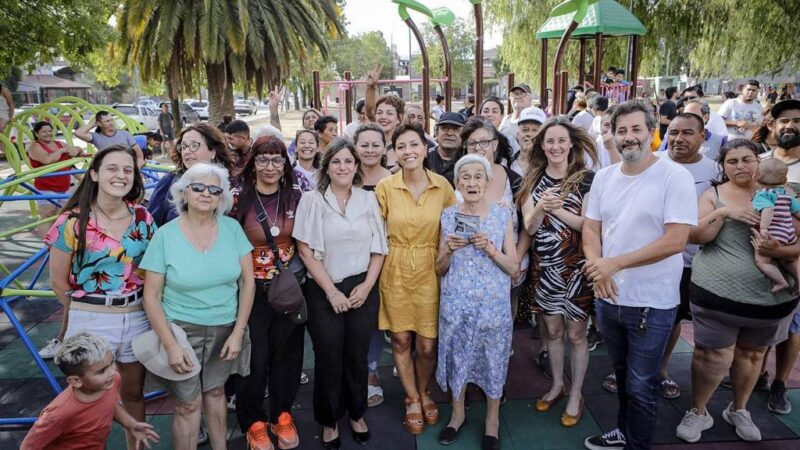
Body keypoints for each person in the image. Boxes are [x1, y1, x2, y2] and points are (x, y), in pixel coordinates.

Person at [582, 101, 697, 450]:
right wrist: (598, 268)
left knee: (642, 384)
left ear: (651, 132)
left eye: (636, 129)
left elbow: (676, 240)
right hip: (609, 297)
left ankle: (637, 444)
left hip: (653, 301)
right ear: (613, 136)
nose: (628, 137)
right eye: (621, 131)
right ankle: (623, 431)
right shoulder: (604, 177)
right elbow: (590, 229)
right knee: (620, 375)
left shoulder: (674, 176)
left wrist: (615, 264)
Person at [675, 140, 800, 443]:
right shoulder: (713, 195)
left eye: (747, 159)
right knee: (711, 356)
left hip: (770, 301)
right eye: (732, 161)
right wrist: (726, 212)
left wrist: (780, 248)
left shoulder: (788, 195)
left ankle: (739, 408)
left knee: (753, 355)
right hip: (717, 296)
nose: (741, 166)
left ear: (760, 161)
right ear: (723, 166)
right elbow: (695, 236)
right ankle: (698, 410)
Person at [41, 144, 155, 449]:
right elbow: (57, 280)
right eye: (112, 168)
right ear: (94, 174)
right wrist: (85, 311)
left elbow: (153, 269)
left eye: (128, 170)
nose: (121, 175)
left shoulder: (143, 218)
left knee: (132, 392)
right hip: (90, 316)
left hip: (136, 314)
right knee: (91, 398)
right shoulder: (72, 222)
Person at [140, 162, 254, 450]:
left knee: (215, 393)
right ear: (184, 192)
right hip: (180, 329)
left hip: (225, 327)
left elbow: (247, 283)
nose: (206, 194)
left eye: (215, 190)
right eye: (198, 187)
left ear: (222, 197)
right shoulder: (165, 235)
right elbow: (151, 295)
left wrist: (238, 332)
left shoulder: (232, 229)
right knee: (188, 404)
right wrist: (170, 344)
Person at [294, 138, 389, 449]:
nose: (343, 167)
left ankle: (356, 413)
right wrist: (332, 292)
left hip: (362, 285)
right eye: (336, 161)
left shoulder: (367, 199)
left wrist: (367, 285)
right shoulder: (312, 200)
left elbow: (379, 248)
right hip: (324, 288)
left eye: (349, 161)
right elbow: (306, 251)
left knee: (357, 355)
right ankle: (330, 419)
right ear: (327, 167)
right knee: (328, 355)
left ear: (356, 166)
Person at [375, 123, 456, 435]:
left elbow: (452, 230)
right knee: (400, 338)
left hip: (431, 267)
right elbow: (375, 232)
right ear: (394, 152)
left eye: (414, 145)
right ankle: (412, 398)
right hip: (394, 266)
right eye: (401, 146)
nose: (408, 152)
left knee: (426, 344)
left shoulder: (443, 187)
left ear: (425, 149)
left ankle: (424, 390)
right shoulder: (385, 187)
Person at [516, 117, 596, 428]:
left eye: (561, 140)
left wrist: (556, 207)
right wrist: (539, 207)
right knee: (552, 332)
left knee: (577, 334)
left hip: (577, 268)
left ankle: (576, 393)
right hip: (546, 268)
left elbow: (587, 225)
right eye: (550, 141)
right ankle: (556, 385)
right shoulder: (532, 179)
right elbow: (529, 227)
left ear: (572, 144)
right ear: (541, 146)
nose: (556, 146)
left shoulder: (586, 179)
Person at [435, 154, 518, 450]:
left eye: (477, 177)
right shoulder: (448, 215)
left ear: (488, 182)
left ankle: (492, 421)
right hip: (456, 305)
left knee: (494, 360)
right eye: (465, 177)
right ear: (457, 183)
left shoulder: (502, 215)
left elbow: (514, 267)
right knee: (457, 358)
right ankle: (457, 415)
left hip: (492, 306)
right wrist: (449, 249)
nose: (472, 182)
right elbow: (439, 268)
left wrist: (492, 250)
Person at [233, 136, 306, 450]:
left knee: (287, 357)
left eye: (277, 159)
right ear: (253, 163)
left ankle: (282, 415)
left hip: (287, 290)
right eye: (263, 159)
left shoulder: (297, 198)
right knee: (255, 359)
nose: (270, 166)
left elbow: (306, 243)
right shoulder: (239, 200)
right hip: (250, 292)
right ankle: (254, 422)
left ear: (285, 164)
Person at [21, 333, 159, 450]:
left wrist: (131, 424)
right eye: (101, 371)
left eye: (112, 363)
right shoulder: (58, 415)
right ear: (76, 381)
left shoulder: (111, 382)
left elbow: (110, 404)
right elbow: (28, 447)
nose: (112, 372)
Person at [759, 98, 800, 415]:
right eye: (785, 120)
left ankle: (780, 383)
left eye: (797, 120)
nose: (791, 125)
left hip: (792, 255)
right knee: (759, 324)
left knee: (793, 329)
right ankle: (755, 374)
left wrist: (787, 251)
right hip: (760, 258)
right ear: (773, 125)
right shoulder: (759, 161)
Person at [352, 123, 393, 408]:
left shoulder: (391, 180)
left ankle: (371, 372)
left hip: (381, 257)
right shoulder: (343, 174)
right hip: (346, 257)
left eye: (375, 144)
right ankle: (349, 371)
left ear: (384, 147)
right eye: (363, 144)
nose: (369, 150)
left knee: (374, 319)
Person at [148, 123, 235, 226]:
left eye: (194, 145)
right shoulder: (168, 183)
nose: (187, 151)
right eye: (184, 147)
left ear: (212, 152)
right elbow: (150, 226)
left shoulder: (230, 184)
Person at [26, 121, 82, 237]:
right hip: (46, 187)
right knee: (47, 216)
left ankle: (58, 245)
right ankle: (47, 248)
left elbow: (73, 156)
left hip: (64, 186)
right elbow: (47, 160)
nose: (48, 133)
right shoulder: (35, 147)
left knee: (62, 217)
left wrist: (77, 149)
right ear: (37, 134)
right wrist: (62, 151)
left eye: (50, 131)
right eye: (44, 131)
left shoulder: (60, 143)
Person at [751, 159, 800, 292]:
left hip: (774, 233)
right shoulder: (787, 196)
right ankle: (797, 280)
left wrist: (764, 228)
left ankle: (780, 282)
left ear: (755, 177)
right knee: (786, 260)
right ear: (785, 180)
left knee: (762, 261)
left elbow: (768, 209)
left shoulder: (762, 195)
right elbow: (798, 212)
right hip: (789, 233)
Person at [74, 111, 144, 168]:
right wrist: (93, 123)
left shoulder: (124, 134)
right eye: (107, 121)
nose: (111, 123)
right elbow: (78, 133)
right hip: (109, 170)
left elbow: (139, 155)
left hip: (126, 168)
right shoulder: (97, 137)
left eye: (111, 120)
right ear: (99, 123)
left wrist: (136, 170)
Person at [427, 112, 466, 185]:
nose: (449, 133)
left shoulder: (469, 160)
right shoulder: (424, 158)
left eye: (455, 129)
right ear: (436, 132)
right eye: (444, 128)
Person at [511, 106, 547, 175]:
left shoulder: (551, 165)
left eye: (535, 130)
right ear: (518, 134)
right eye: (525, 130)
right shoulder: (507, 163)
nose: (529, 134)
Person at [373, 95, 405, 171]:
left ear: (399, 118)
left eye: (389, 113)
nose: (383, 117)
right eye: (379, 113)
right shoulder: (368, 145)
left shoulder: (405, 146)